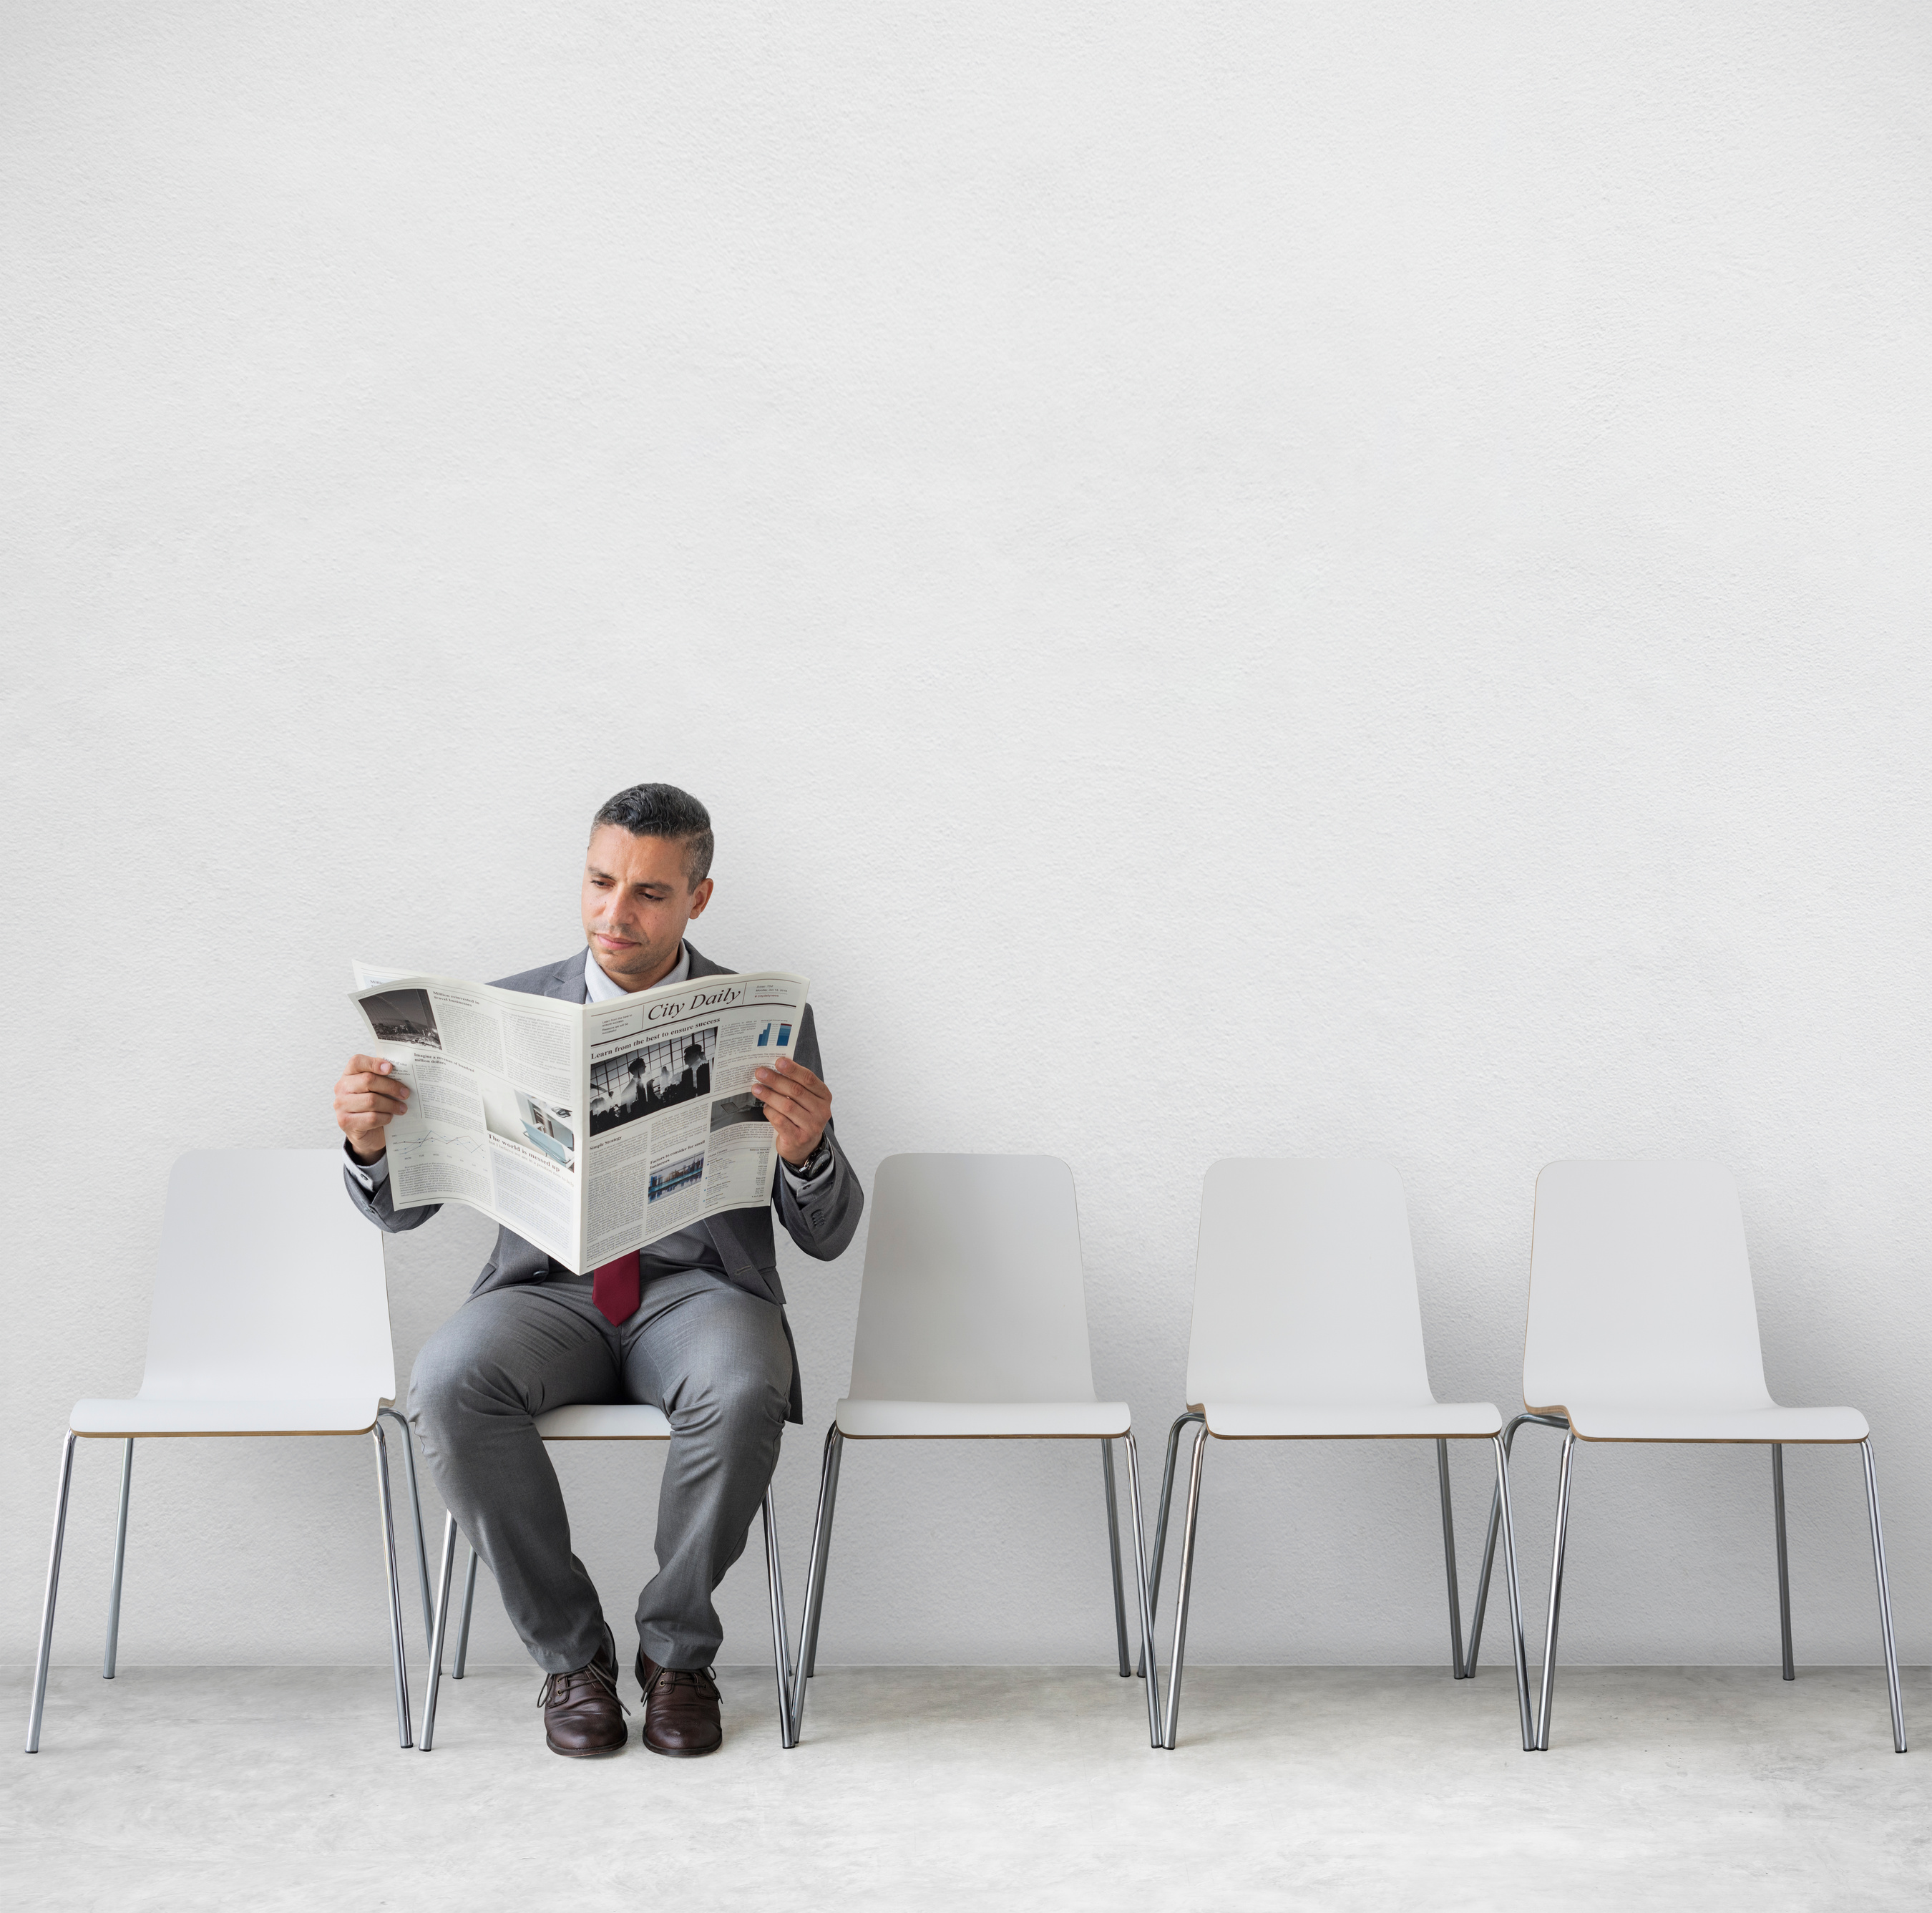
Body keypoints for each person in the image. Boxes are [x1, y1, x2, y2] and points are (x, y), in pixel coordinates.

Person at [332, 784, 862, 1758]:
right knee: (447, 1383)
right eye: (600, 881)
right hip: (548, 1290)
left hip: (702, 1292)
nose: (616, 914)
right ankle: (572, 1659)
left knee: (747, 1383)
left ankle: (676, 1653)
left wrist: (807, 1150)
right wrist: (371, 1143)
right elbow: (402, 1207)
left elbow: (829, 1230)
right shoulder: (503, 1008)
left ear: (699, 898)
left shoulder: (767, 1014)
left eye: (651, 894)